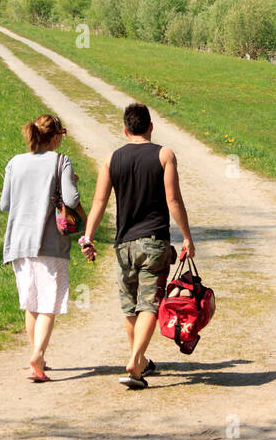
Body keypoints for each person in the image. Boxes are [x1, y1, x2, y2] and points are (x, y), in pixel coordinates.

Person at [79, 103, 196, 390]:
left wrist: (88, 237)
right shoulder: (164, 155)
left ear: (125, 129)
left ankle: (138, 362)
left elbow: (98, 202)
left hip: (124, 245)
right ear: (150, 126)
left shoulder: (111, 160)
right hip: (154, 242)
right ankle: (135, 361)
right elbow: (174, 201)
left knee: (131, 308)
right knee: (150, 305)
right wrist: (187, 237)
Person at [0, 114, 84, 383]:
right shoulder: (61, 161)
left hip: (19, 243)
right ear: (57, 136)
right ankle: (38, 354)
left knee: (31, 303)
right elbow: (70, 198)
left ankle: (38, 361)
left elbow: (5, 205)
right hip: (50, 242)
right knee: (49, 303)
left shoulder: (15, 163)